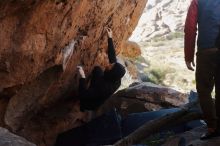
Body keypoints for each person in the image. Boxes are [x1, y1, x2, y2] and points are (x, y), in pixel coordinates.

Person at [184, 0, 220, 140]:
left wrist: (188, 55)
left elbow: (190, 28)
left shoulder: (198, 2)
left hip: (207, 51)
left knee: (204, 90)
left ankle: (212, 127)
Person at [77, 27, 125, 112]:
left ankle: (83, 106)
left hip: (90, 103)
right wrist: (110, 37)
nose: (109, 64)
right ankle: (91, 90)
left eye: (110, 66)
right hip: (101, 84)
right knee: (97, 70)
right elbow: (112, 58)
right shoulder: (116, 77)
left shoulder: (104, 88)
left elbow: (83, 94)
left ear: (112, 72)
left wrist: (82, 77)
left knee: (85, 95)